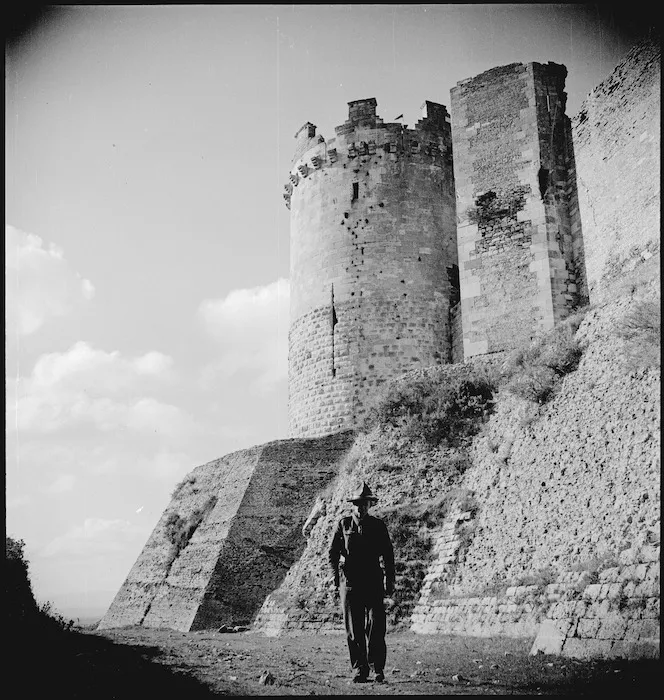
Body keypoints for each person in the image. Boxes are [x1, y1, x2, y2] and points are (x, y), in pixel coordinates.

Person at [328, 482, 395, 684]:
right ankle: (359, 669)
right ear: (352, 505)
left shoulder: (378, 526)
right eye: (358, 503)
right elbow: (332, 553)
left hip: (373, 582)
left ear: (370, 505)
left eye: (365, 503)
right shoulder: (343, 524)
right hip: (350, 583)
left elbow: (388, 555)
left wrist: (390, 581)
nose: (361, 507)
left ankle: (377, 669)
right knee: (354, 629)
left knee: (376, 627)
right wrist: (334, 577)